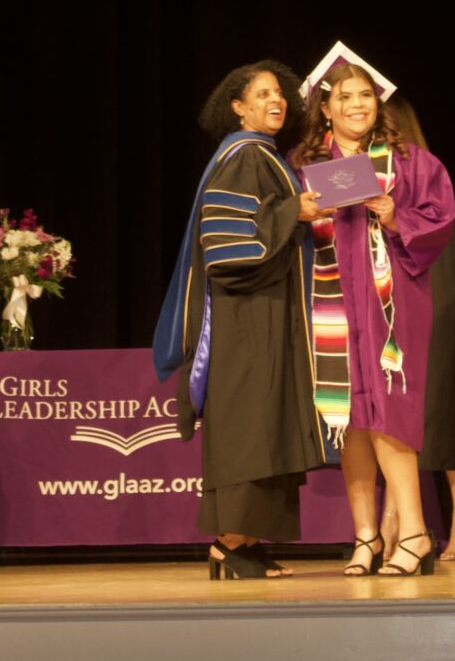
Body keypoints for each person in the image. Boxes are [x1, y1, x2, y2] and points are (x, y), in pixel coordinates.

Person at [153, 60, 328, 579]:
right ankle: (226, 544)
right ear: (238, 106)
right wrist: (291, 213)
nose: (277, 101)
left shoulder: (265, 156)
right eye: (263, 93)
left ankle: (246, 542)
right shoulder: (242, 156)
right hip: (246, 316)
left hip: (268, 310)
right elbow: (228, 250)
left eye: (281, 93)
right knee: (250, 429)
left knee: (268, 425)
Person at [291, 61, 455, 576]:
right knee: (351, 421)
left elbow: (440, 219)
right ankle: (365, 537)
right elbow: (278, 233)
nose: (357, 105)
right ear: (325, 107)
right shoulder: (302, 168)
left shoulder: (412, 163)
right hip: (332, 308)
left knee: (390, 414)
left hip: (394, 309)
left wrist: (393, 215)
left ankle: (414, 533)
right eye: (345, 97)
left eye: (366, 95)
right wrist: (300, 213)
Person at [379, 95, 455, 561]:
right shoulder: (367, 173)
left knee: (438, 407)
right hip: (389, 305)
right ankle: (394, 513)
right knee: (390, 410)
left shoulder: (423, 173)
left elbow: (439, 249)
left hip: (434, 298)